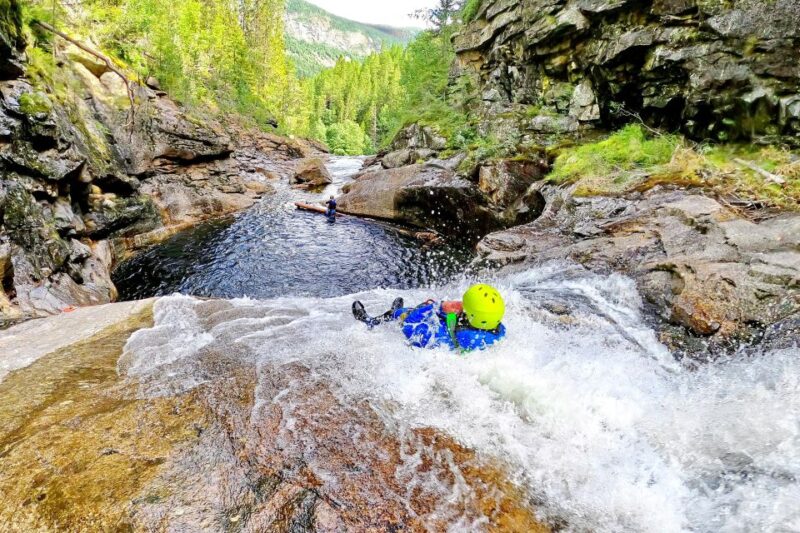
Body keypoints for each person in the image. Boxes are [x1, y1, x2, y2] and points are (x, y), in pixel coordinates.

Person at [351, 284, 506, 352]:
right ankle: (394, 312)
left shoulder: (438, 337)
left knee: (404, 314)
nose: (460, 304)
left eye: (463, 305)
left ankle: (371, 321)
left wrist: (437, 306)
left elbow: (410, 323)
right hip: (457, 340)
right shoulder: (497, 331)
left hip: (418, 340)